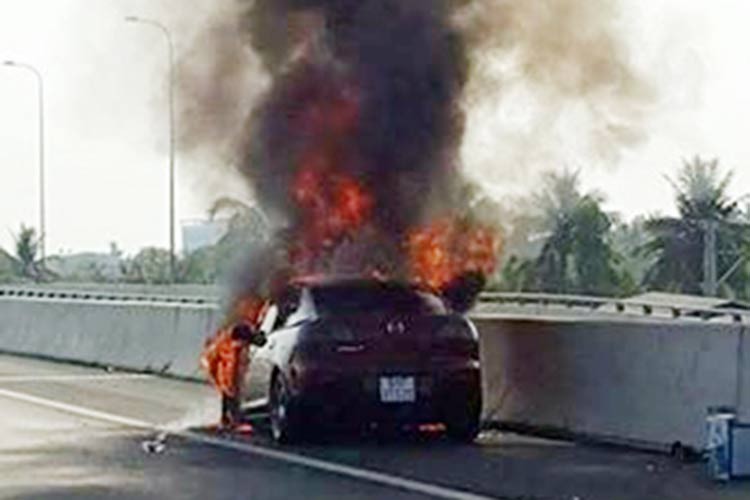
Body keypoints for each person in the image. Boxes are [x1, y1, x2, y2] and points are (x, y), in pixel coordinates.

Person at [201, 307, 267, 429]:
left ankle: (227, 418)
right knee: (230, 388)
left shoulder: (234, 342)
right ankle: (231, 419)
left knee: (229, 388)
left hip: (218, 360)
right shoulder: (232, 349)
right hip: (217, 361)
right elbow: (230, 380)